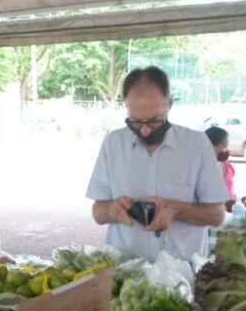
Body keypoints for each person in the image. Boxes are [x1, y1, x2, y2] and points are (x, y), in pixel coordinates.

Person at [86, 66, 227, 262]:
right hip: (127, 274)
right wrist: (112, 210)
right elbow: (97, 213)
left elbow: (217, 215)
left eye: (154, 122)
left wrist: (176, 210)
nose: (144, 131)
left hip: (182, 274)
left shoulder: (196, 145)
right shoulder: (113, 144)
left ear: (169, 104)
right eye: (135, 122)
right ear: (126, 107)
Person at [204, 125, 236, 211]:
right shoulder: (202, 170)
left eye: (226, 147)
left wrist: (239, 201)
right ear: (210, 146)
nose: (225, 151)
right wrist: (228, 204)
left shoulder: (227, 166)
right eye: (223, 147)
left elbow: (231, 190)